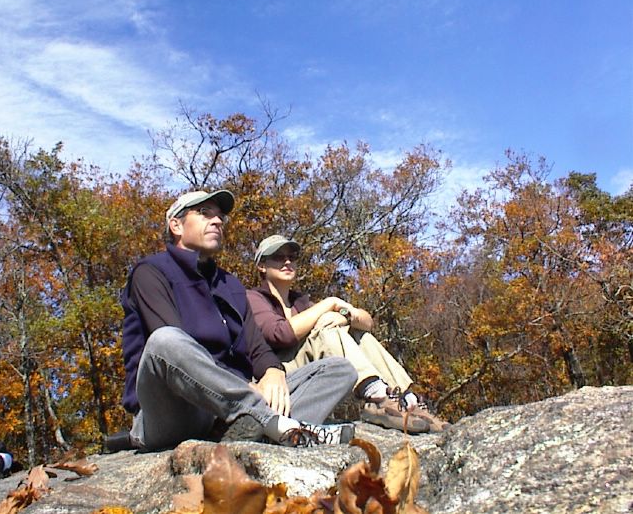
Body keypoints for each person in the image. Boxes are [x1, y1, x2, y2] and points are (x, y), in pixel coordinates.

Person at [119, 191, 357, 451]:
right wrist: (246, 391)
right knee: (165, 340)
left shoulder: (229, 284)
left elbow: (256, 346)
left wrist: (272, 372)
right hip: (175, 410)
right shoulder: (151, 272)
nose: (218, 221)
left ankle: (257, 432)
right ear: (176, 225)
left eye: (220, 217)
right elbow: (174, 354)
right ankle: (277, 424)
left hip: (234, 407)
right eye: (205, 214)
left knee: (339, 369)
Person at [246, 235, 449, 433]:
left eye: (291, 257)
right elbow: (280, 334)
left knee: (358, 333)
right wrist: (330, 303)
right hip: (281, 378)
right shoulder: (253, 298)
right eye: (278, 257)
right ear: (262, 266)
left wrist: (346, 316)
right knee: (326, 324)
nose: (287, 261)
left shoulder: (302, 303)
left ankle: (407, 400)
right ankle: (376, 396)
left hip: (312, 368)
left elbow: (368, 322)